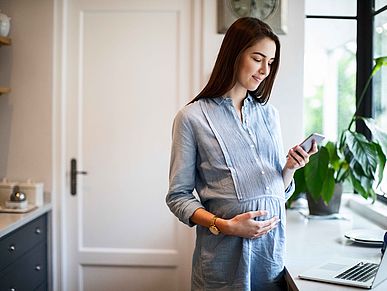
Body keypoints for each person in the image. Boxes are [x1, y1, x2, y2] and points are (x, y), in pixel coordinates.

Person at [166, 17, 317, 291]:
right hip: (223, 262)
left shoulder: (270, 116)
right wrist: (224, 225)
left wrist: (290, 169)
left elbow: (275, 192)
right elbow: (178, 197)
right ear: (234, 55)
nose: (264, 70)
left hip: (270, 258)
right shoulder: (191, 117)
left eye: (270, 62)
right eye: (258, 58)